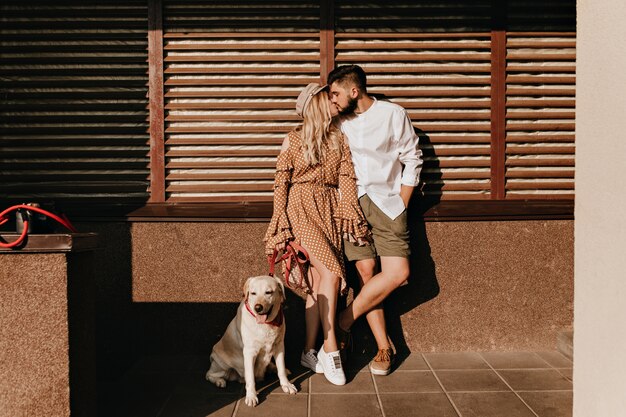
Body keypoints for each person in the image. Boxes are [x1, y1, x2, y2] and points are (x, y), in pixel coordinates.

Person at [264, 83, 370, 386]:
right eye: (328, 97)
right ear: (315, 103)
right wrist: (280, 220)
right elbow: (280, 183)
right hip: (301, 208)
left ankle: (309, 351)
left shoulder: (339, 138)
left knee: (319, 285)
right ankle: (330, 345)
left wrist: (349, 210)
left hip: (330, 209)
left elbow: (347, 175)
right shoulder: (293, 139)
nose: (335, 101)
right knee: (333, 272)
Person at [327, 64, 423, 376]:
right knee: (366, 273)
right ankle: (384, 346)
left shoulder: (393, 114)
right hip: (352, 206)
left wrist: (402, 205)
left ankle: (343, 321)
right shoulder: (339, 121)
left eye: (336, 94)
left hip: (388, 203)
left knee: (398, 272)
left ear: (354, 91)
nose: (333, 100)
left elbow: (412, 158)